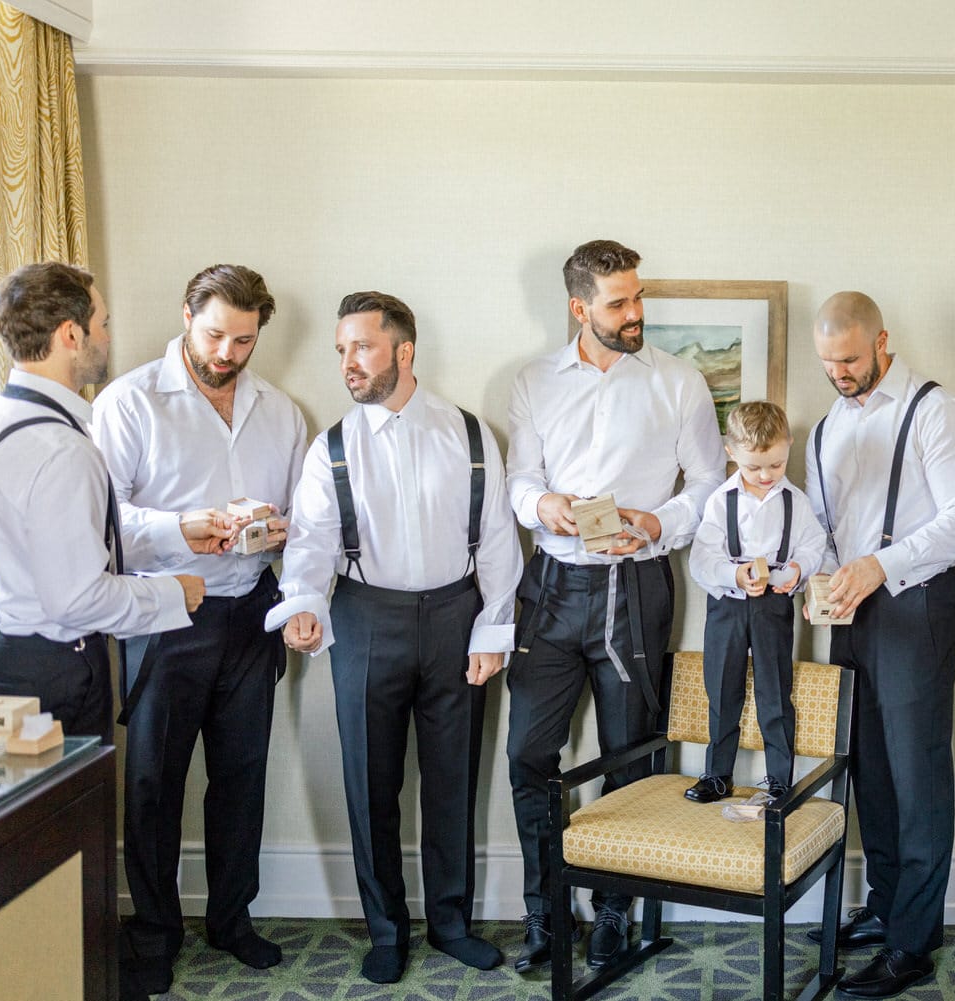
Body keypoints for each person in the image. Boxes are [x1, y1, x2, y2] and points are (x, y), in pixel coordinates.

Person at [267, 291, 522, 984]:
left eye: (362, 347)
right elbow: (313, 541)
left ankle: (450, 922)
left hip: (455, 619)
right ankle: (387, 929)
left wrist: (492, 628)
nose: (348, 362)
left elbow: (498, 539)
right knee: (370, 782)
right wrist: (302, 603)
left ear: (403, 351)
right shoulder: (332, 448)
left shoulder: (471, 434)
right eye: (342, 349)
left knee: (452, 779)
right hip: (364, 617)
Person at [504, 239, 727, 972]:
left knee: (630, 752)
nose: (636, 314)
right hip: (553, 587)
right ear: (579, 307)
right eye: (618, 303)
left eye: (638, 298)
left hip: (639, 587)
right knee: (529, 752)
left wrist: (659, 522)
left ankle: (611, 910)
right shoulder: (532, 381)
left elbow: (708, 485)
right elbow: (518, 480)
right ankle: (545, 913)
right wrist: (545, 504)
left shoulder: (679, 381)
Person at [92, 265, 306, 996]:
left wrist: (281, 531)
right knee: (154, 780)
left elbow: (305, 521)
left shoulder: (281, 410)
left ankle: (231, 918)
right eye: (216, 333)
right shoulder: (128, 402)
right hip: (161, 611)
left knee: (243, 776)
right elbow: (102, 518)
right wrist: (180, 527)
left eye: (244, 340)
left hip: (251, 610)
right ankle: (153, 931)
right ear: (187, 314)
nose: (227, 352)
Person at [804, 290, 955, 999]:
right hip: (848, 611)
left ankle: (913, 941)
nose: (840, 373)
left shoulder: (940, 412)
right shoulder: (826, 427)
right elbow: (823, 523)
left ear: (882, 340)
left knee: (917, 772)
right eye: (828, 363)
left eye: (849, 359)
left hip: (917, 606)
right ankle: (884, 905)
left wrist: (880, 564)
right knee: (868, 765)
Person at [0, 262, 203, 746]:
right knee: (68, 822)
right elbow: (77, 599)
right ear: (71, 334)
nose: (109, 337)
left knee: (15, 820)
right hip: (52, 677)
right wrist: (174, 593)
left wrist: (177, 531)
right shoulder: (61, 448)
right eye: (104, 324)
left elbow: (53, 548)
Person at [685, 400, 824, 804]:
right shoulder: (719, 500)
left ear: (789, 447)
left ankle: (780, 779)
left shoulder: (795, 502)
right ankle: (717, 775)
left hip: (774, 607)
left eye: (776, 465)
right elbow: (701, 560)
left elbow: (814, 545)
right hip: (727, 607)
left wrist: (798, 569)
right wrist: (734, 575)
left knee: (775, 693)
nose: (766, 476)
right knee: (722, 690)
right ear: (732, 454)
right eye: (754, 467)